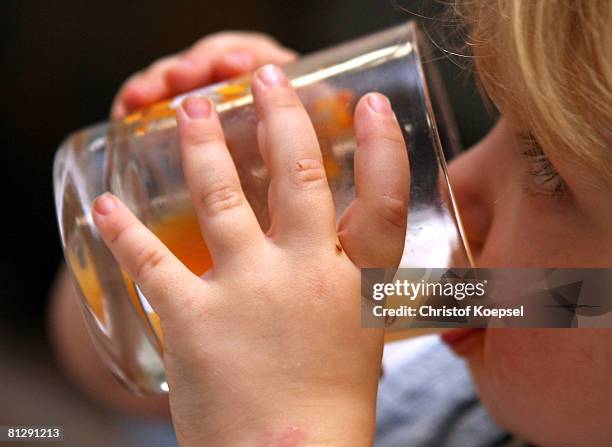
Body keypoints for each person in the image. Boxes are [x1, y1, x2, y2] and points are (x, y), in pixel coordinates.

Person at [50, 0, 612, 445]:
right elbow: (116, 368)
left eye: (548, 170)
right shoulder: (528, 300)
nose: (452, 182)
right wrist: (231, 205)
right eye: (500, 119)